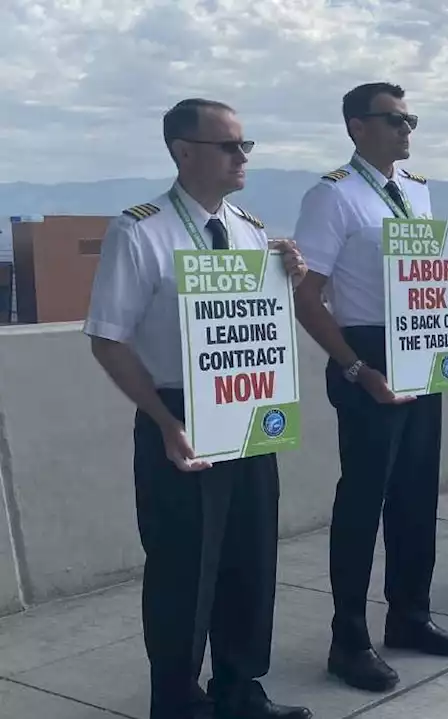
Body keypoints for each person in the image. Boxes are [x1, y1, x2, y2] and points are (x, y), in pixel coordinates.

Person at [84, 98, 311, 719]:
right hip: (178, 412)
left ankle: (241, 689)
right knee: (184, 569)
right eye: (230, 146)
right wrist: (163, 421)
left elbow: (256, 325)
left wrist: (286, 274)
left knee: (250, 559)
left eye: (246, 145)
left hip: (248, 408)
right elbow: (108, 337)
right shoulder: (141, 229)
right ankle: (180, 701)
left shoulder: (249, 230)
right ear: (185, 152)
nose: (243, 157)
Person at [292, 82, 448, 693]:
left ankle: (410, 615)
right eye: (394, 120)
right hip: (367, 352)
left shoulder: (417, 193)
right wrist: (353, 367)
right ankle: (349, 640)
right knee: (363, 502)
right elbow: (307, 294)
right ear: (356, 127)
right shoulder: (334, 197)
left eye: (410, 120)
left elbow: (421, 275)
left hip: (420, 348)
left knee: (416, 496)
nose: (406, 130)